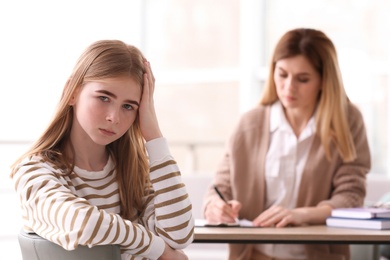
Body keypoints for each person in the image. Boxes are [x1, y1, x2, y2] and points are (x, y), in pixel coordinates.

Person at [10, 40, 194, 260]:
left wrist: (153, 136)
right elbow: (83, 223)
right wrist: (157, 248)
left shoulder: (132, 171)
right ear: (71, 92)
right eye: (104, 98)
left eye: (128, 106)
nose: (113, 118)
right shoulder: (33, 170)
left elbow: (179, 236)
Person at [203, 28, 371, 260]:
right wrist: (215, 206)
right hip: (254, 255)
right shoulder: (248, 124)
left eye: (303, 79)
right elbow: (219, 188)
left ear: (324, 80)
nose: (289, 87)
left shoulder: (348, 122)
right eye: (282, 74)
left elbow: (350, 196)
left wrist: (303, 214)